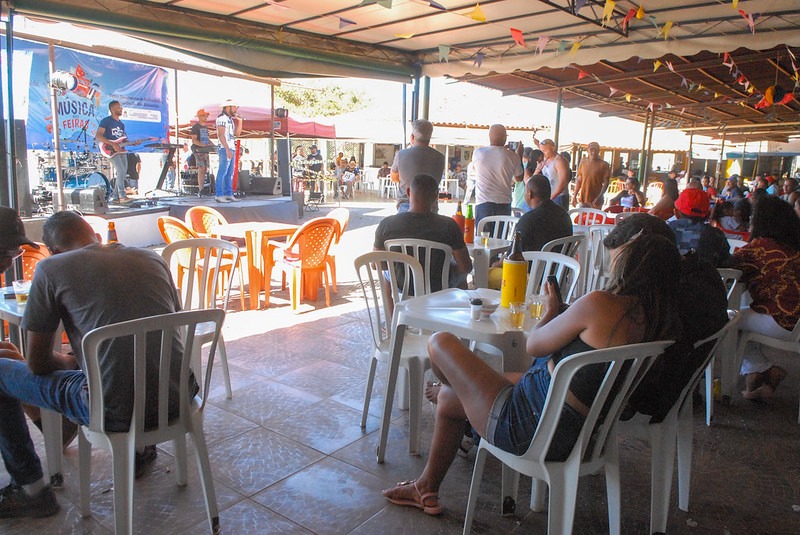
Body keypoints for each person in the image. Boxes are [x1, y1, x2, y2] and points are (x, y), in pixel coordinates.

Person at [382, 231, 681, 515]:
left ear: (633, 265)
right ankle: (426, 489)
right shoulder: (660, 326)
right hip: (582, 434)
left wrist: (552, 312)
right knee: (448, 399)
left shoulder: (601, 305)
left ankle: (464, 412)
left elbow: (534, 346)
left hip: (529, 427)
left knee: (440, 342)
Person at [0, 211, 189, 518]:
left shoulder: (51, 268)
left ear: (54, 250)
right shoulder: (152, 259)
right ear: (96, 236)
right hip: (177, 398)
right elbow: (167, 326)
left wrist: (72, 360)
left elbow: (38, 364)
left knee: (4, 370)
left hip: (113, 411)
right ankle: (138, 449)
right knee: (118, 364)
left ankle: (30, 489)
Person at [602, 213, 728, 421]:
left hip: (644, 401)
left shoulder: (661, 297)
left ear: (644, 253)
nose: (619, 276)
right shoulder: (701, 274)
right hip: (675, 391)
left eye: (622, 265)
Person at [729, 196, 800, 400]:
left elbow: (729, 266)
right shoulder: (793, 245)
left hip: (782, 320)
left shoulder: (760, 248)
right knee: (743, 318)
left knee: (728, 320)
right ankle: (762, 375)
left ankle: (756, 371)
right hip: (796, 322)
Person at [374, 174, 472, 292]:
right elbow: (466, 267)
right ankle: (453, 307)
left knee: (387, 273)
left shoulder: (387, 225)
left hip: (403, 286)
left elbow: (377, 265)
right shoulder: (449, 225)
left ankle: (393, 310)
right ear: (436, 196)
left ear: (409, 192)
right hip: (438, 286)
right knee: (461, 274)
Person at [472, 124, 524, 225]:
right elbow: (519, 178)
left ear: (489, 136)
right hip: (503, 204)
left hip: (483, 203)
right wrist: (519, 156)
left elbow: (476, 170)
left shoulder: (478, 153)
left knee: (482, 238)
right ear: (504, 137)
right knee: (500, 238)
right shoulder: (512, 156)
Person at [390, 120, 445, 213]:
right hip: (430, 207)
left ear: (412, 136)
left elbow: (394, 177)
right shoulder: (440, 157)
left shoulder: (402, 155)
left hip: (406, 204)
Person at [668, 188, 730, 267]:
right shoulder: (717, 234)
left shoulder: (666, 230)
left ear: (676, 212)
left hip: (671, 278)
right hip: (707, 278)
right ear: (708, 213)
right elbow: (726, 263)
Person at [515, 174, 573, 252]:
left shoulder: (528, 220)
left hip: (534, 263)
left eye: (525, 190)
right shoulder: (564, 216)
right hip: (560, 263)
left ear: (529, 193)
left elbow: (513, 254)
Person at [95, 100, 129, 204]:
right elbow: (98, 135)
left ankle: (114, 197)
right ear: (113, 109)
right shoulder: (106, 121)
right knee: (121, 170)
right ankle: (122, 195)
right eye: (119, 107)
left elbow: (122, 139)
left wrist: (132, 143)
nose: (121, 109)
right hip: (109, 148)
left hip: (120, 149)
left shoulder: (121, 124)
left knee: (123, 172)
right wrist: (112, 144)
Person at [215, 98, 243, 203]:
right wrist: (227, 149)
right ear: (228, 107)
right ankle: (219, 194)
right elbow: (220, 135)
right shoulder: (221, 118)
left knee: (229, 172)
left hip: (231, 147)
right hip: (224, 148)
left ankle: (228, 193)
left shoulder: (230, 119)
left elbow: (237, 134)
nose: (236, 109)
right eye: (234, 107)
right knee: (222, 171)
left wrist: (240, 122)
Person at [573, 141, 610, 209]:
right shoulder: (583, 162)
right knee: (582, 218)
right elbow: (579, 180)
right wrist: (574, 196)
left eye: (596, 150)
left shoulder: (604, 164)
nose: (593, 152)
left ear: (598, 151)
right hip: (583, 198)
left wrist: (600, 196)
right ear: (587, 150)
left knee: (595, 218)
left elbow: (606, 182)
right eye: (591, 150)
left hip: (596, 200)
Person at [535, 138, 570, 209]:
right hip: (549, 196)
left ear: (553, 148)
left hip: (559, 197)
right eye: (542, 151)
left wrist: (551, 198)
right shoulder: (545, 158)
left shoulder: (560, 161)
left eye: (545, 151)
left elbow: (563, 183)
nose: (543, 153)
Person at [190, 108, 214, 192]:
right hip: (198, 150)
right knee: (201, 168)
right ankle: (200, 189)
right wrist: (203, 145)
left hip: (205, 150)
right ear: (199, 117)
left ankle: (202, 187)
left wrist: (212, 145)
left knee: (205, 169)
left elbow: (207, 139)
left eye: (206, 116)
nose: (206, 117)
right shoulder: (195, 127)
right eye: (204, 116)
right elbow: (194, 140)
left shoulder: (205, 127)